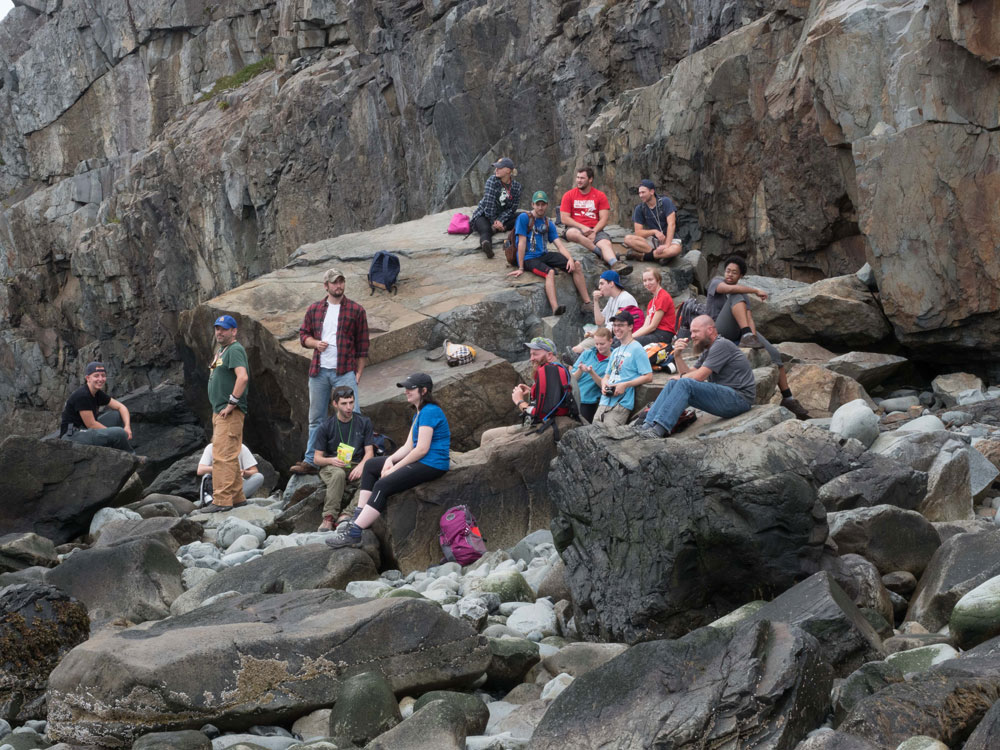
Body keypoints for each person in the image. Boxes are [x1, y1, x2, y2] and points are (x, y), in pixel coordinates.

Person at [327, 373, 450, 549]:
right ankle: (360, 515)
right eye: (406, 388)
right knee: (371, 465)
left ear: (424, 391)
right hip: (423, 460)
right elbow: (409, 446)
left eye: (411, 388)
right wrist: (390, 460)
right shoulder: (419, 412)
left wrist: (394, 469)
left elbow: (421, 449)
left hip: (433, 464)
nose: (406, 391)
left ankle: (354, 533)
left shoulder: (430, 411)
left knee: (383, 484)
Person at [705, 256, 809, 419]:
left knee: (774, 354)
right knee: (735, 294)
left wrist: (754, 339)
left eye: (734, 273)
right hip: (717, 332)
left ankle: (788, 397)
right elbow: (730, 290)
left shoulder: (742, 293)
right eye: (728, 271)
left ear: (741, 276)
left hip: (740, 331)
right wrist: (754, 290)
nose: (730, 275)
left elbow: (749, 317)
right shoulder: (716, 282)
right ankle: (746, 334)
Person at [292, 268, 370, 475]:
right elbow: (303, 336)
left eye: (341, 282)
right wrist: (315, 343)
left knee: (352, 414)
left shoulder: (356, 310)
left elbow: (363, 346)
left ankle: (350, 461)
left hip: (344, 371)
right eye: (334, 283)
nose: (339, 286)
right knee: (315, 418)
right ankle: (311, 460)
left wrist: (358, 373)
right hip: (319, 371)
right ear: (326, 286)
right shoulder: (314, 309)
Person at [635, 315, 755, 437]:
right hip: (727, 398)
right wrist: (677, 356)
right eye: (691, 332)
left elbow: (698, 377)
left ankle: (658, 430)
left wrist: (681, 378)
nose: (692, 336)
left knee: (684, 382)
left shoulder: (722, 345)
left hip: (740, 399)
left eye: (696, 331)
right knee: (673, 383)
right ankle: (647, 425)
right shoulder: (708, 350)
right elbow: (688, 374)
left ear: (710, 330)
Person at [508, 190, 591, 315]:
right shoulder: (524, 218)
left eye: (543, 204)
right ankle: (555, 308)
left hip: (543, 255)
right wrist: (520, 267)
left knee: (576, 265)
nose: (540, 207)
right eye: (538, 204)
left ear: (547, 205)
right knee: (550, 272)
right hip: (528, 258)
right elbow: (521, 243)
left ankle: (587, 303)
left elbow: (559, 245)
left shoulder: (548, 222)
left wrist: (569, 259)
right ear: (533, 205)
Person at [312, 386, 375, 532]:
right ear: (335, 404)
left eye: (351, 402)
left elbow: (369, 453)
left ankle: (347, 513)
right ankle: (328, 517)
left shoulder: (364, 422)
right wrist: (331, 460)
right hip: (333, 465)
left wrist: (361, 466)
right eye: (344, 403)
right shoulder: (325, 426)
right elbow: (317, 459)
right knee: (338, 474)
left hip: (355, 464)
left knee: (371, 478)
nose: (349, 407)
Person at [205, 314, 250, 512]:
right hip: (219, 411)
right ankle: (237, 497)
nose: (219, 332)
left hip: (228, 412)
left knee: (221, 456)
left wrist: (231, 403)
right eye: (217, 328)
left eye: (224, 329)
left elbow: (242, 377)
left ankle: (221, 500)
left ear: (234, 331)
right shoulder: (222, 351)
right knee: (230, 454)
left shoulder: (235, 349)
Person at [559, 166, 632, 276]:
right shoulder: (568, 195)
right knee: (573, 233)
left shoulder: (600, 195)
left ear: (590, 179)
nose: (579, 180)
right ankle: (602, 254)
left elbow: (604, 219)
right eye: (577, 177)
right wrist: (582, 227)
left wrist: (594, 231)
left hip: (595, 229)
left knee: (605, 243)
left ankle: (615, 264)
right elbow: (564, 218)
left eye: (582, 178)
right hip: (575, 228)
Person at [59, 361, 136, 453]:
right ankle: (131, 456)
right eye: (96, 376)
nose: (100, 379)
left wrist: (127, 426)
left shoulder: (97, 393)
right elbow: (91, 424)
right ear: (88, 378)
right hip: (72, 435)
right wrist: (112, 434)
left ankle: (115, 446)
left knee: (116, 415)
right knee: (119, 433)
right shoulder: (82, 395)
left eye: (103, 375)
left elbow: (121, 407)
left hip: (86, 429)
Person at [593, 312, 653, 426]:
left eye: (620, 325)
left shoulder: (637, 349)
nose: (616, 328)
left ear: (630, 327)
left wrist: (625, 385)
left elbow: (649, 376)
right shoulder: (615, 351)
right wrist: (604, 383)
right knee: (592, 436)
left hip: (621, 404)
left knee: (609, 438)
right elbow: (607, 375)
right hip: (604, 401)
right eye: (614, 325)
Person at [570, 270, 639, 355]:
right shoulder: (611, 299)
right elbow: (599, 321)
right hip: (606, 336)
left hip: (615, 338)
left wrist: (596, 334)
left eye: (602, 283)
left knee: (577, 351)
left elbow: (620, 328)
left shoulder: (625, 299)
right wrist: (595, 301)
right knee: (575, 350)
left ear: (611, 284)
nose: (599, 287)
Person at [470, 157, 522, 258]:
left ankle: (497, 228)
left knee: (523, 216)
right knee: (485, 229)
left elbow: (512, 208)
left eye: (499, 168)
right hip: (485, 215)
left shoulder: (516, 187)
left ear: (508, 171)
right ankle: (486, 245)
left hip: (502, 218)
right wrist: (495, 221)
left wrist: (500, 220)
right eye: (495, 168)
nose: (496, 170)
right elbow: (489, 205)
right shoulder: (492, 181)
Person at [622, 179, 683, 263]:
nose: (640, 195)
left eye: (643, 192)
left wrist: (667, 245)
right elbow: (638, 232)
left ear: (652, 191)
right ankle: (660, 256)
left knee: (675, 250)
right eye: (639, 193)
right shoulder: (640, 209)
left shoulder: (665, 202)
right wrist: (654, 232)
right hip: (653, 241)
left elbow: (671, 224)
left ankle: (645, 256)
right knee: (627, 239)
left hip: (670, 239)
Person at [571, 327, 613, 423]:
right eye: (596, 344)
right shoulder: (587, 353)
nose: (599, 347)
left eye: (602, 344)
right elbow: (572, 378)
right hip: (573, 396)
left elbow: (604, 386)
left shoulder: (614, 358)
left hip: (589, 401)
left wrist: (591, 372)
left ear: (610, 341)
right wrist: (580, 370)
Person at [196, 444, 264, 503]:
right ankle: (215, 500)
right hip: (216, 487)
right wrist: (220, 468)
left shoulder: (241, 447)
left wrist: (244, 472)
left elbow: (254, 471)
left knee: (259, 477)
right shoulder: (211, 447)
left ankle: (232, 500)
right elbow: (200, 470)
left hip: (236, 487)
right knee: (206, 476)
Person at [632, 268, 677, 346]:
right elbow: (646, 326)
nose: (647, 283)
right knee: (624, 342)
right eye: (645, 281)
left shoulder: (663, 297)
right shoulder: (651, 302)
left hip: (664, 334)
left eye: (650, 279)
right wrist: (629, 337)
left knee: (632, 343)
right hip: (654, 333)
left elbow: (653, 326)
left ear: (658, 280)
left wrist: (630, 338)